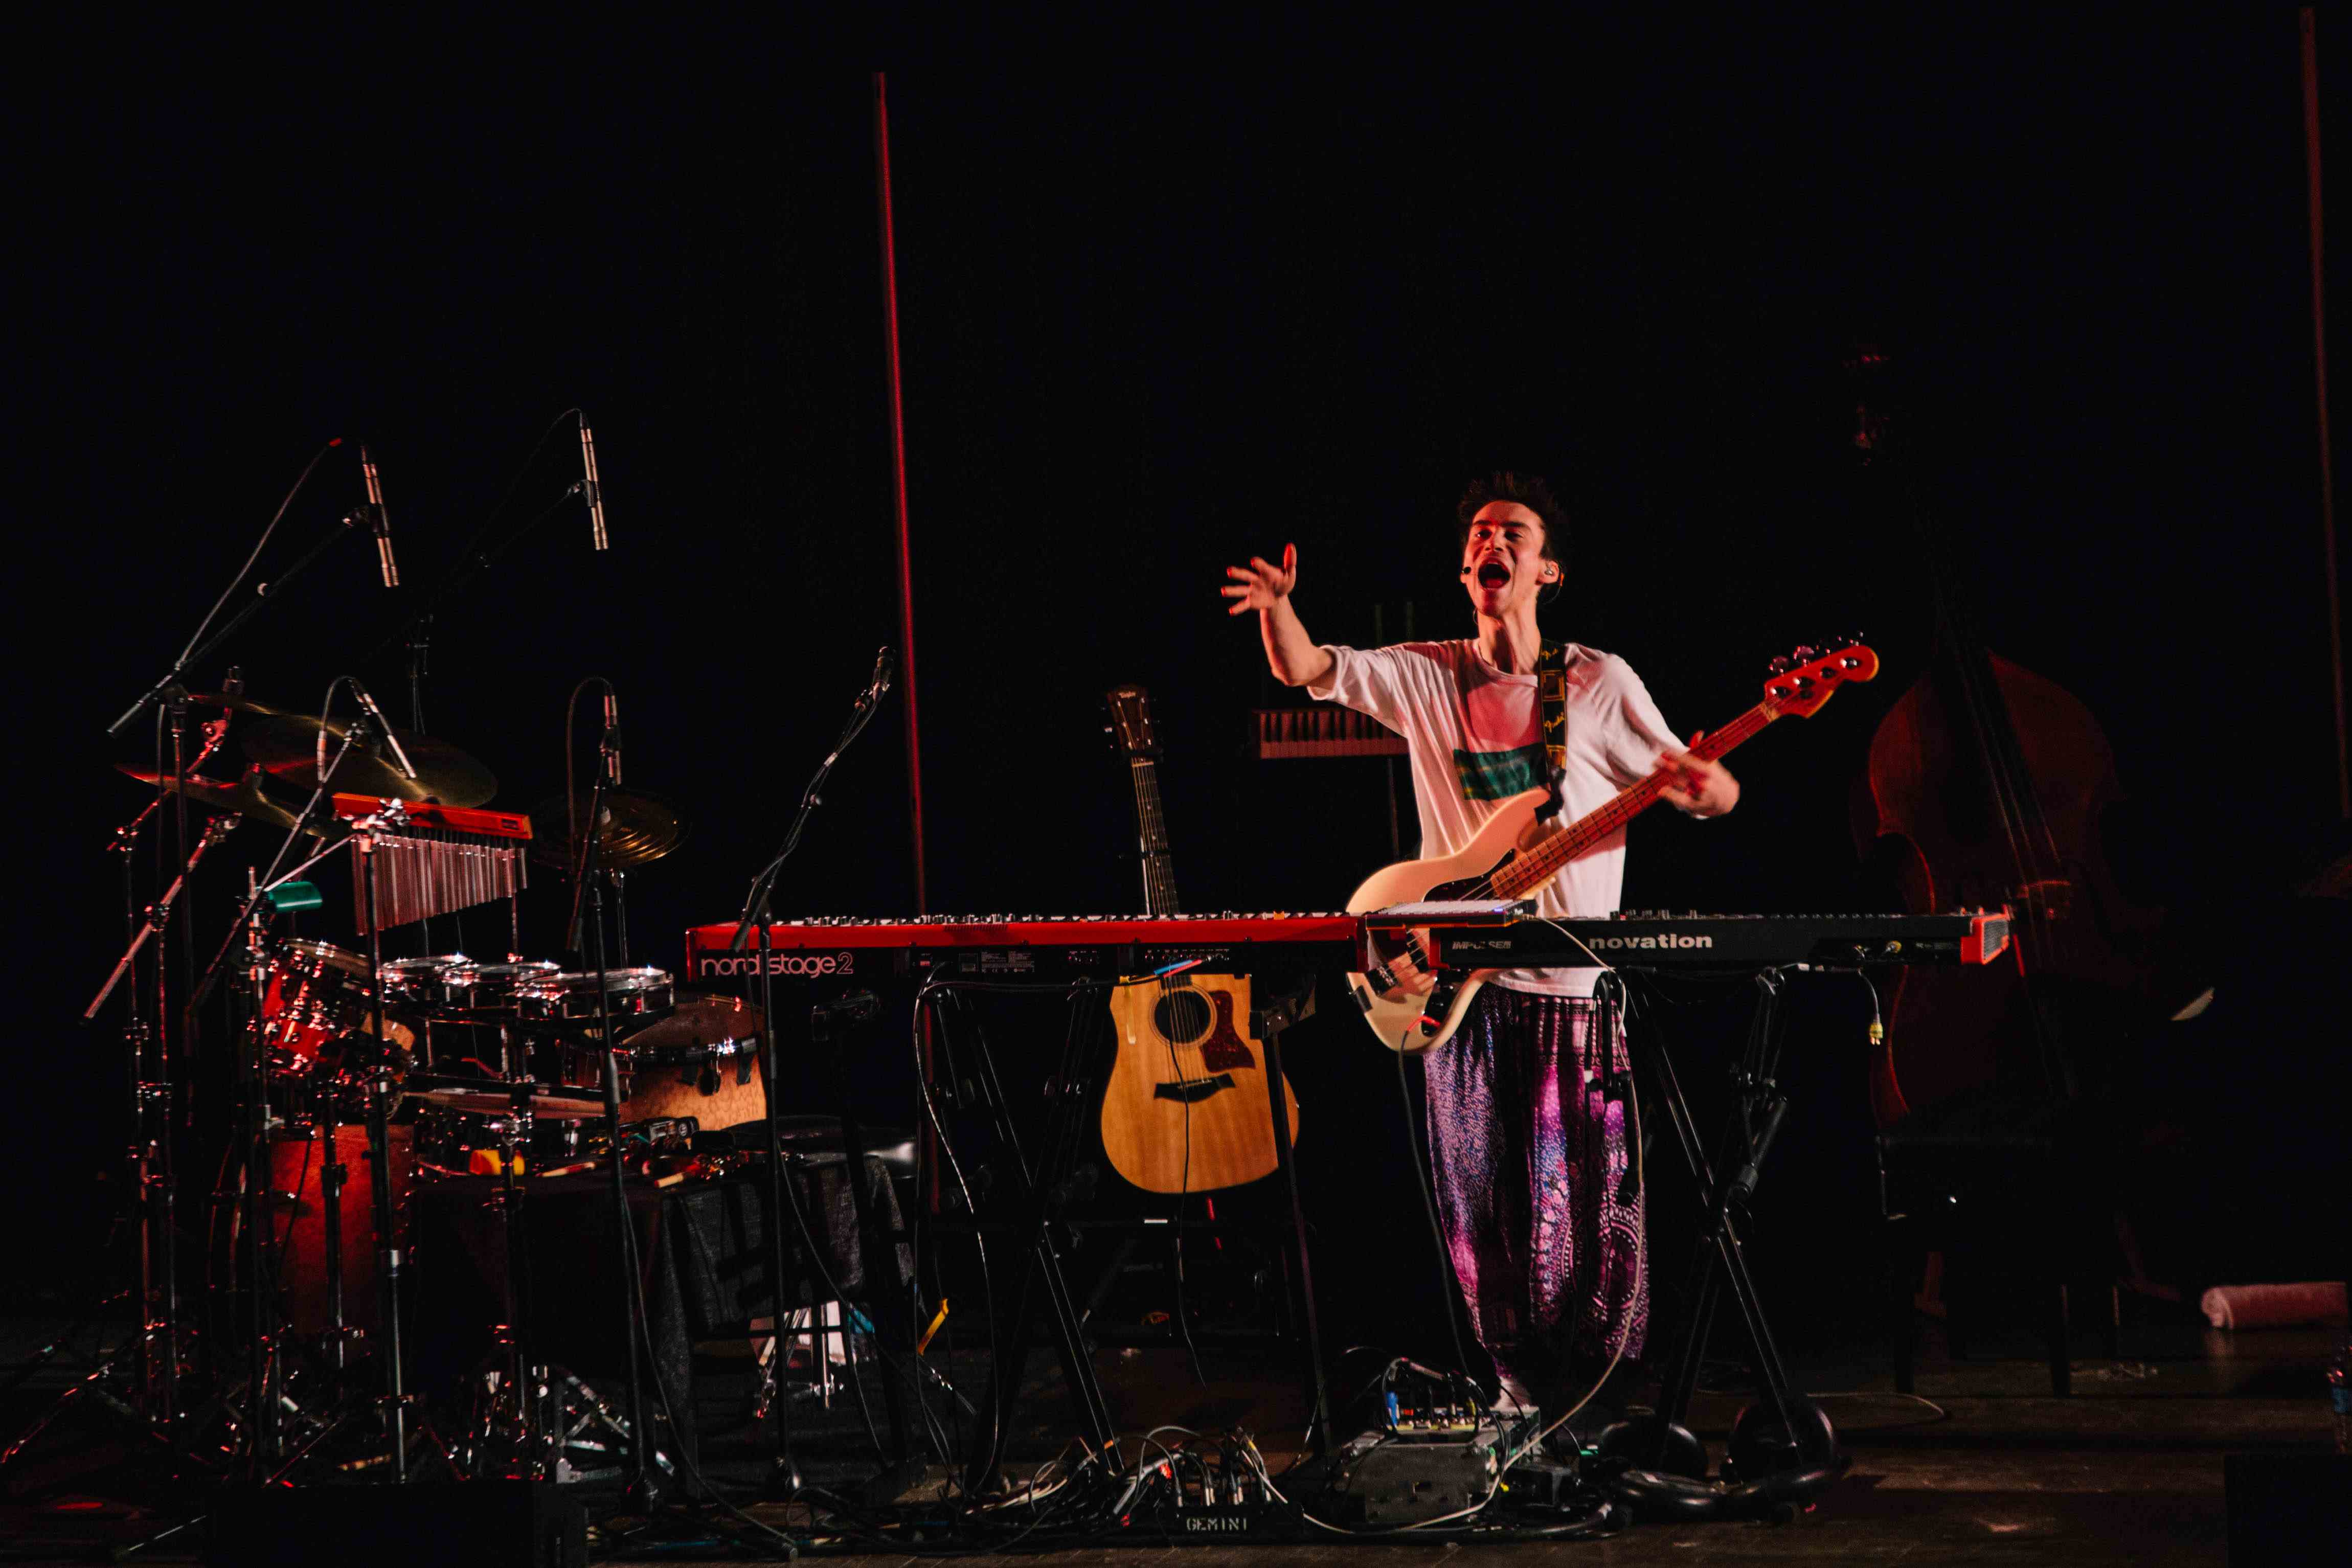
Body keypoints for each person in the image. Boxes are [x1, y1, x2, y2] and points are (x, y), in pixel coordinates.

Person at [1220, 471, 1739, 1422]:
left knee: (1582, 1208)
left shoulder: (1598, 682)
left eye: (1514, 532)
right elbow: (1307, 670)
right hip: (1459, 992)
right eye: (1480, 534)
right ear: (1468, 568)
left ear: (1548, 569)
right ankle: (1514, 1399)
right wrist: (1280, 612)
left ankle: (1598, 1400)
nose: (1491, 542)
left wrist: (1706, 789)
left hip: (1573, 992)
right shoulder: (1428, 672)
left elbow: (1709, 791)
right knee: (1482, 1211)